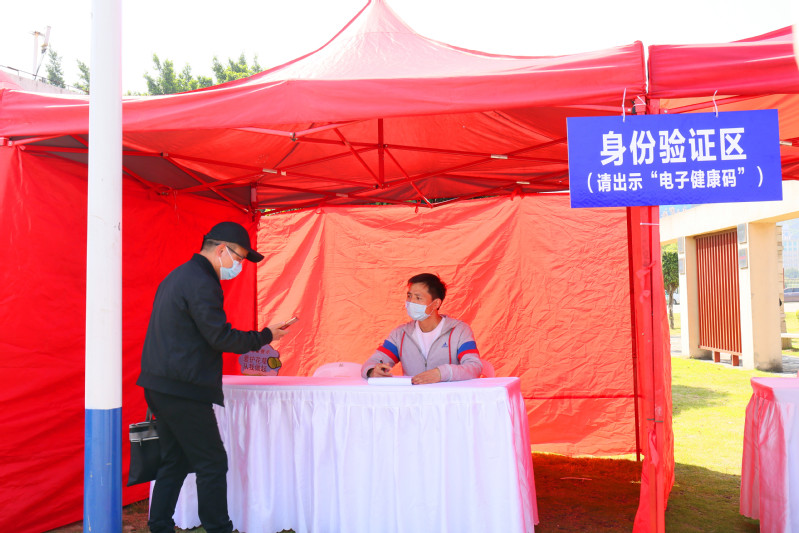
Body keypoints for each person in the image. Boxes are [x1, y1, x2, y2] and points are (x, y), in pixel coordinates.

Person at [137, 221, 289, 533]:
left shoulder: (179, 275)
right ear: (221, 250)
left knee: (175, 460)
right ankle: (219, 527)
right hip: (182, 389)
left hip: (160, 383)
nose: (239, 266)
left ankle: (160, 524)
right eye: (240, 258)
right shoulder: (202, 282)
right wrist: (265, 336)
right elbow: (219, 337)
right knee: (212, 462)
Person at [362, 273, 483, 384]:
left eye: (418, 298)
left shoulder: (459, 331)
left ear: (436, 303)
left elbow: (474, 367)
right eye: (409, 296)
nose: (411, 302)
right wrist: (372, 371)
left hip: (449, 398)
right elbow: (371, 363)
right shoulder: (400, 334)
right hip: (412, 398)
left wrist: (441, 373)